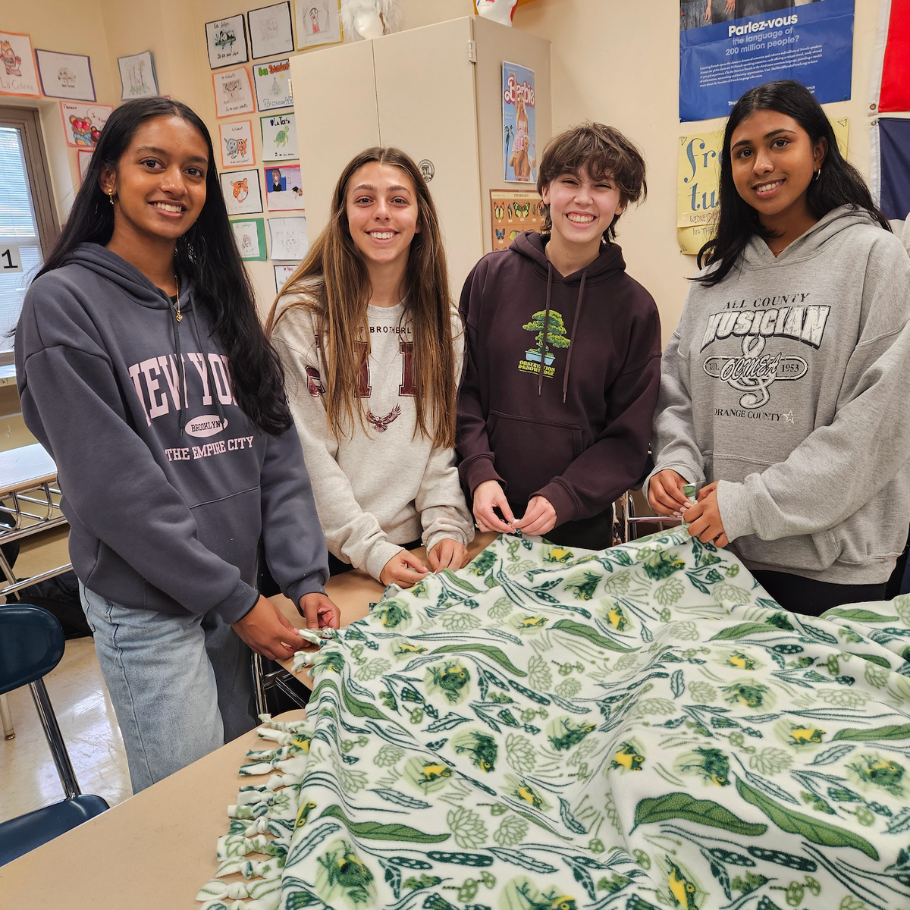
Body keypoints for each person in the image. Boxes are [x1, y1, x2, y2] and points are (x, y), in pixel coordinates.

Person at [15, 97, 339, 792]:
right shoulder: (63, 303)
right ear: (108, 176)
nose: (175, 185)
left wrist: (303, 577)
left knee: (243, 780)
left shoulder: (218, 297)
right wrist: (238, 599)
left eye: (194, 171)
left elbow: (277, 453)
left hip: (234, 594)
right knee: (190, 799)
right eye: (152, 164)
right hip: (149, 606)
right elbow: (113, 490)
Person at [647, 80, 910, 615]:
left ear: (817, 151)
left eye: (779, 143)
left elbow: (878, 425)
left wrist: (750, 505)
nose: (761, 164)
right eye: (744, 153)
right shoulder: (715, 275)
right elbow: (676, 390)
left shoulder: (874, 257)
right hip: (719, 553)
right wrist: (674, 466)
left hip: (831, 570)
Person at [266, 147, 474, 588]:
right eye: (364, 200)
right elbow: (309, 455)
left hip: (413, 549)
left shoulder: (445, 324)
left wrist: (446, 525)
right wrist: (371, 551)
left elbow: (440, 447)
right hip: (326, 557)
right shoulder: (302, 316)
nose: (382, 213)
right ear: (343, 219)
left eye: (398, 200)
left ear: (420, 220)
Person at [458, 122, 661, 550]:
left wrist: (566, 495)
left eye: (602, 186)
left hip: (578, 528)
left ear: (621, 202)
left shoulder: (636, 309)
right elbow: (462, 392)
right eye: (570, 181)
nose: (583, 199)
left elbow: (628, 438)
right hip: (480, 514)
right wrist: (478, 472)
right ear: (546, 190)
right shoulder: (489, 278)